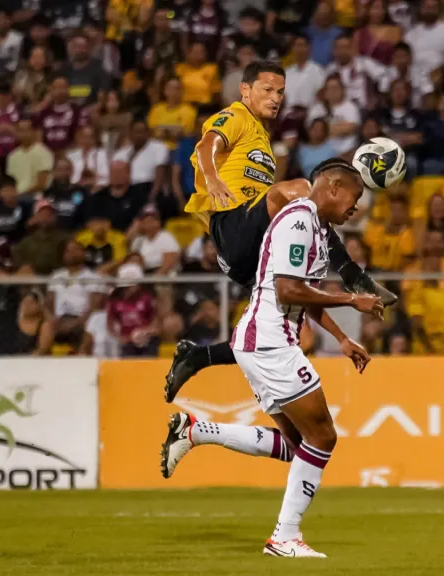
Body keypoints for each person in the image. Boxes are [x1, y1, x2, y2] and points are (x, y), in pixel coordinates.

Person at [160, 161, 381, 557]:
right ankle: (285, 537)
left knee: (300, 445)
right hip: (270, 341)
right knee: (323, 437)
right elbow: (287, 290)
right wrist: (352, 299)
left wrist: (342, 338)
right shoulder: (298, 220)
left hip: (265, 340)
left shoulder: (315, 227)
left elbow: (305, 294)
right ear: (332, 188)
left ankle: (196, 432)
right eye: (355, 196)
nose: (356, 207)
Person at [165, 62, 395, 401]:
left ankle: (197, 357)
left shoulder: (263, 139)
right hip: (232, 225)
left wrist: (342, 338)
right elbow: (205, 148)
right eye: (268, 90)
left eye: (281, 93)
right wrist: (212, 178)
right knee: (300, 190)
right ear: (245, 90)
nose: (276, 98)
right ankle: (352, 274)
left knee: (290, 334)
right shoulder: (236, 115)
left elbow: (299, 295)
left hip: (247, 252)